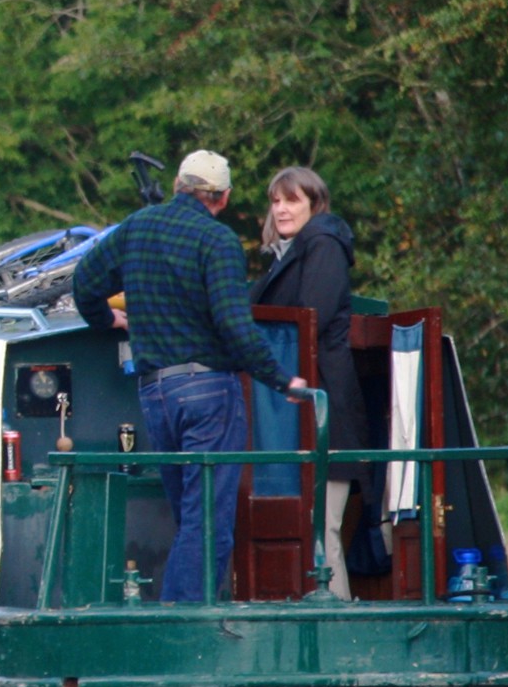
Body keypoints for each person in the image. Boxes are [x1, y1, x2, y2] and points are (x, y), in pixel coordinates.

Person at [72, 150, 305, 602]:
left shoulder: (137, 227)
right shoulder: (217, 242)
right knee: (207, 524)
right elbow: (235, 327)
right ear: (222, 197)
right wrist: (281, 380)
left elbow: (84, 283)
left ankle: (171, 619)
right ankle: (182, 633)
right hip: (209, 393)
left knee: (190, 519)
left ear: (178, 183)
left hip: (154, 393)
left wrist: (106, 320)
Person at [249, 165, 372, 598]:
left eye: (292, 200)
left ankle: (338, 625)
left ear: (314, 205)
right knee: (310, 527)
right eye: (276, 200)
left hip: (323, 409)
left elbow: (309, 319)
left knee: (323, 528)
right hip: (290, 417)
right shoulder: (288, 255)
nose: (281, 209)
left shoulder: (322, 243)